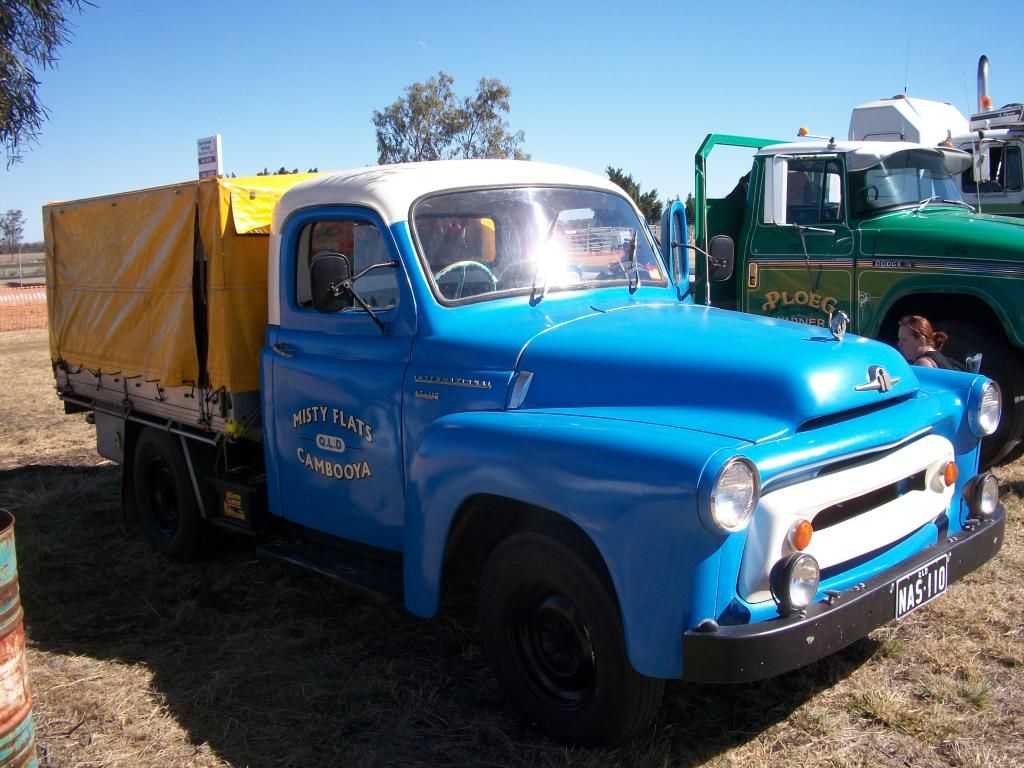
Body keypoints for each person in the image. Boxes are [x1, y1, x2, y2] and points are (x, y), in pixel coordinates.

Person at [897, 315, 963, 370]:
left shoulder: (923, 364)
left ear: (921, 340)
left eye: (904, 340)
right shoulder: (939, 358)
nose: (899, 344)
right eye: (899, 339)